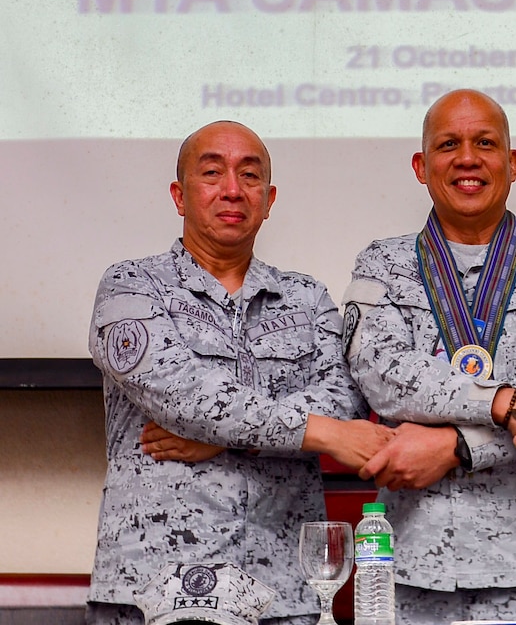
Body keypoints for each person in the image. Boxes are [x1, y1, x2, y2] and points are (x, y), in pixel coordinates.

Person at [86, 120, 392, 625]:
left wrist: (233, 440)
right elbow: (185, 397)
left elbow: (346, 399)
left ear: (269, 200)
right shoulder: (130, 287)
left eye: (249, 176)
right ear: (179, 195)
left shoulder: (307, 298)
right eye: (212, 173)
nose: (232, 189)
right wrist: (317, 433)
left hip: (286, 590)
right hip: (159, 587)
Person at [342, 89, 516, 625]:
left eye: (485, 142)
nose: (468, 157)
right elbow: (382, 375)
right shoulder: (381, 264)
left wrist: (457, 445)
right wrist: (510, 404)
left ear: (511, 164)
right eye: (449, 144)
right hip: (410, 572)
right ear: (422, 166)